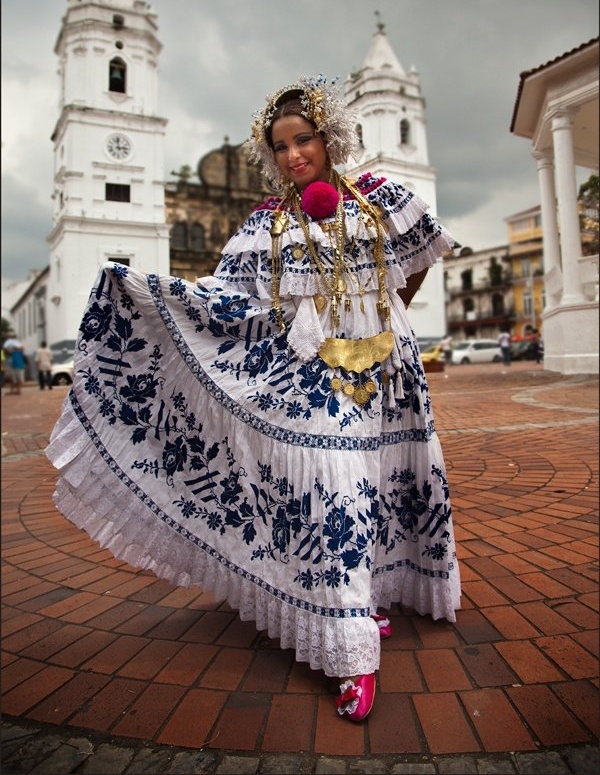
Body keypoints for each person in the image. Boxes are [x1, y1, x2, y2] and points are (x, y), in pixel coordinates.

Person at [46, 75, 461, 723]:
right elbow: (228, 297)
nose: (295, 155)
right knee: (333, 483)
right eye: (282, 146)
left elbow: (425, 247)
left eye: (304, 141)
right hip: (308, 367)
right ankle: (353, 653)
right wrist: (153, 295)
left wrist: (391, 310)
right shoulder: (266, 224)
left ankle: (366, 599)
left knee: (380, 477)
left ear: (329, 138)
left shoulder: (382, 197)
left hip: (386, 359)